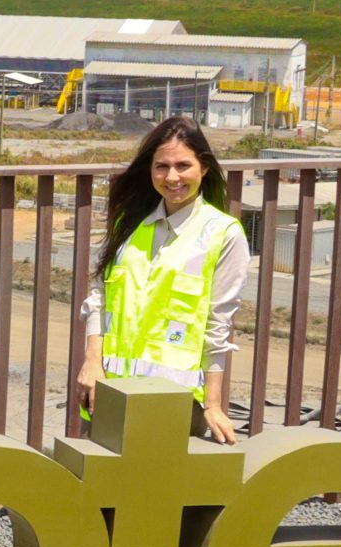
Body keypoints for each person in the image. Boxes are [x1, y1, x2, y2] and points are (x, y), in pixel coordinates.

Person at [75, 115, 247, 445]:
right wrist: (91, 361)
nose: (172, 177)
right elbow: (101, 293)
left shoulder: (223, 234)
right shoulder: (130, 222)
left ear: (205, 169)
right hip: (110, 393)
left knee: (154, 495)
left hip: (173, 405)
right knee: (99, 491)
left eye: (183, 165)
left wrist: (213, 404)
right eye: (162, 166)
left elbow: (217, 325)